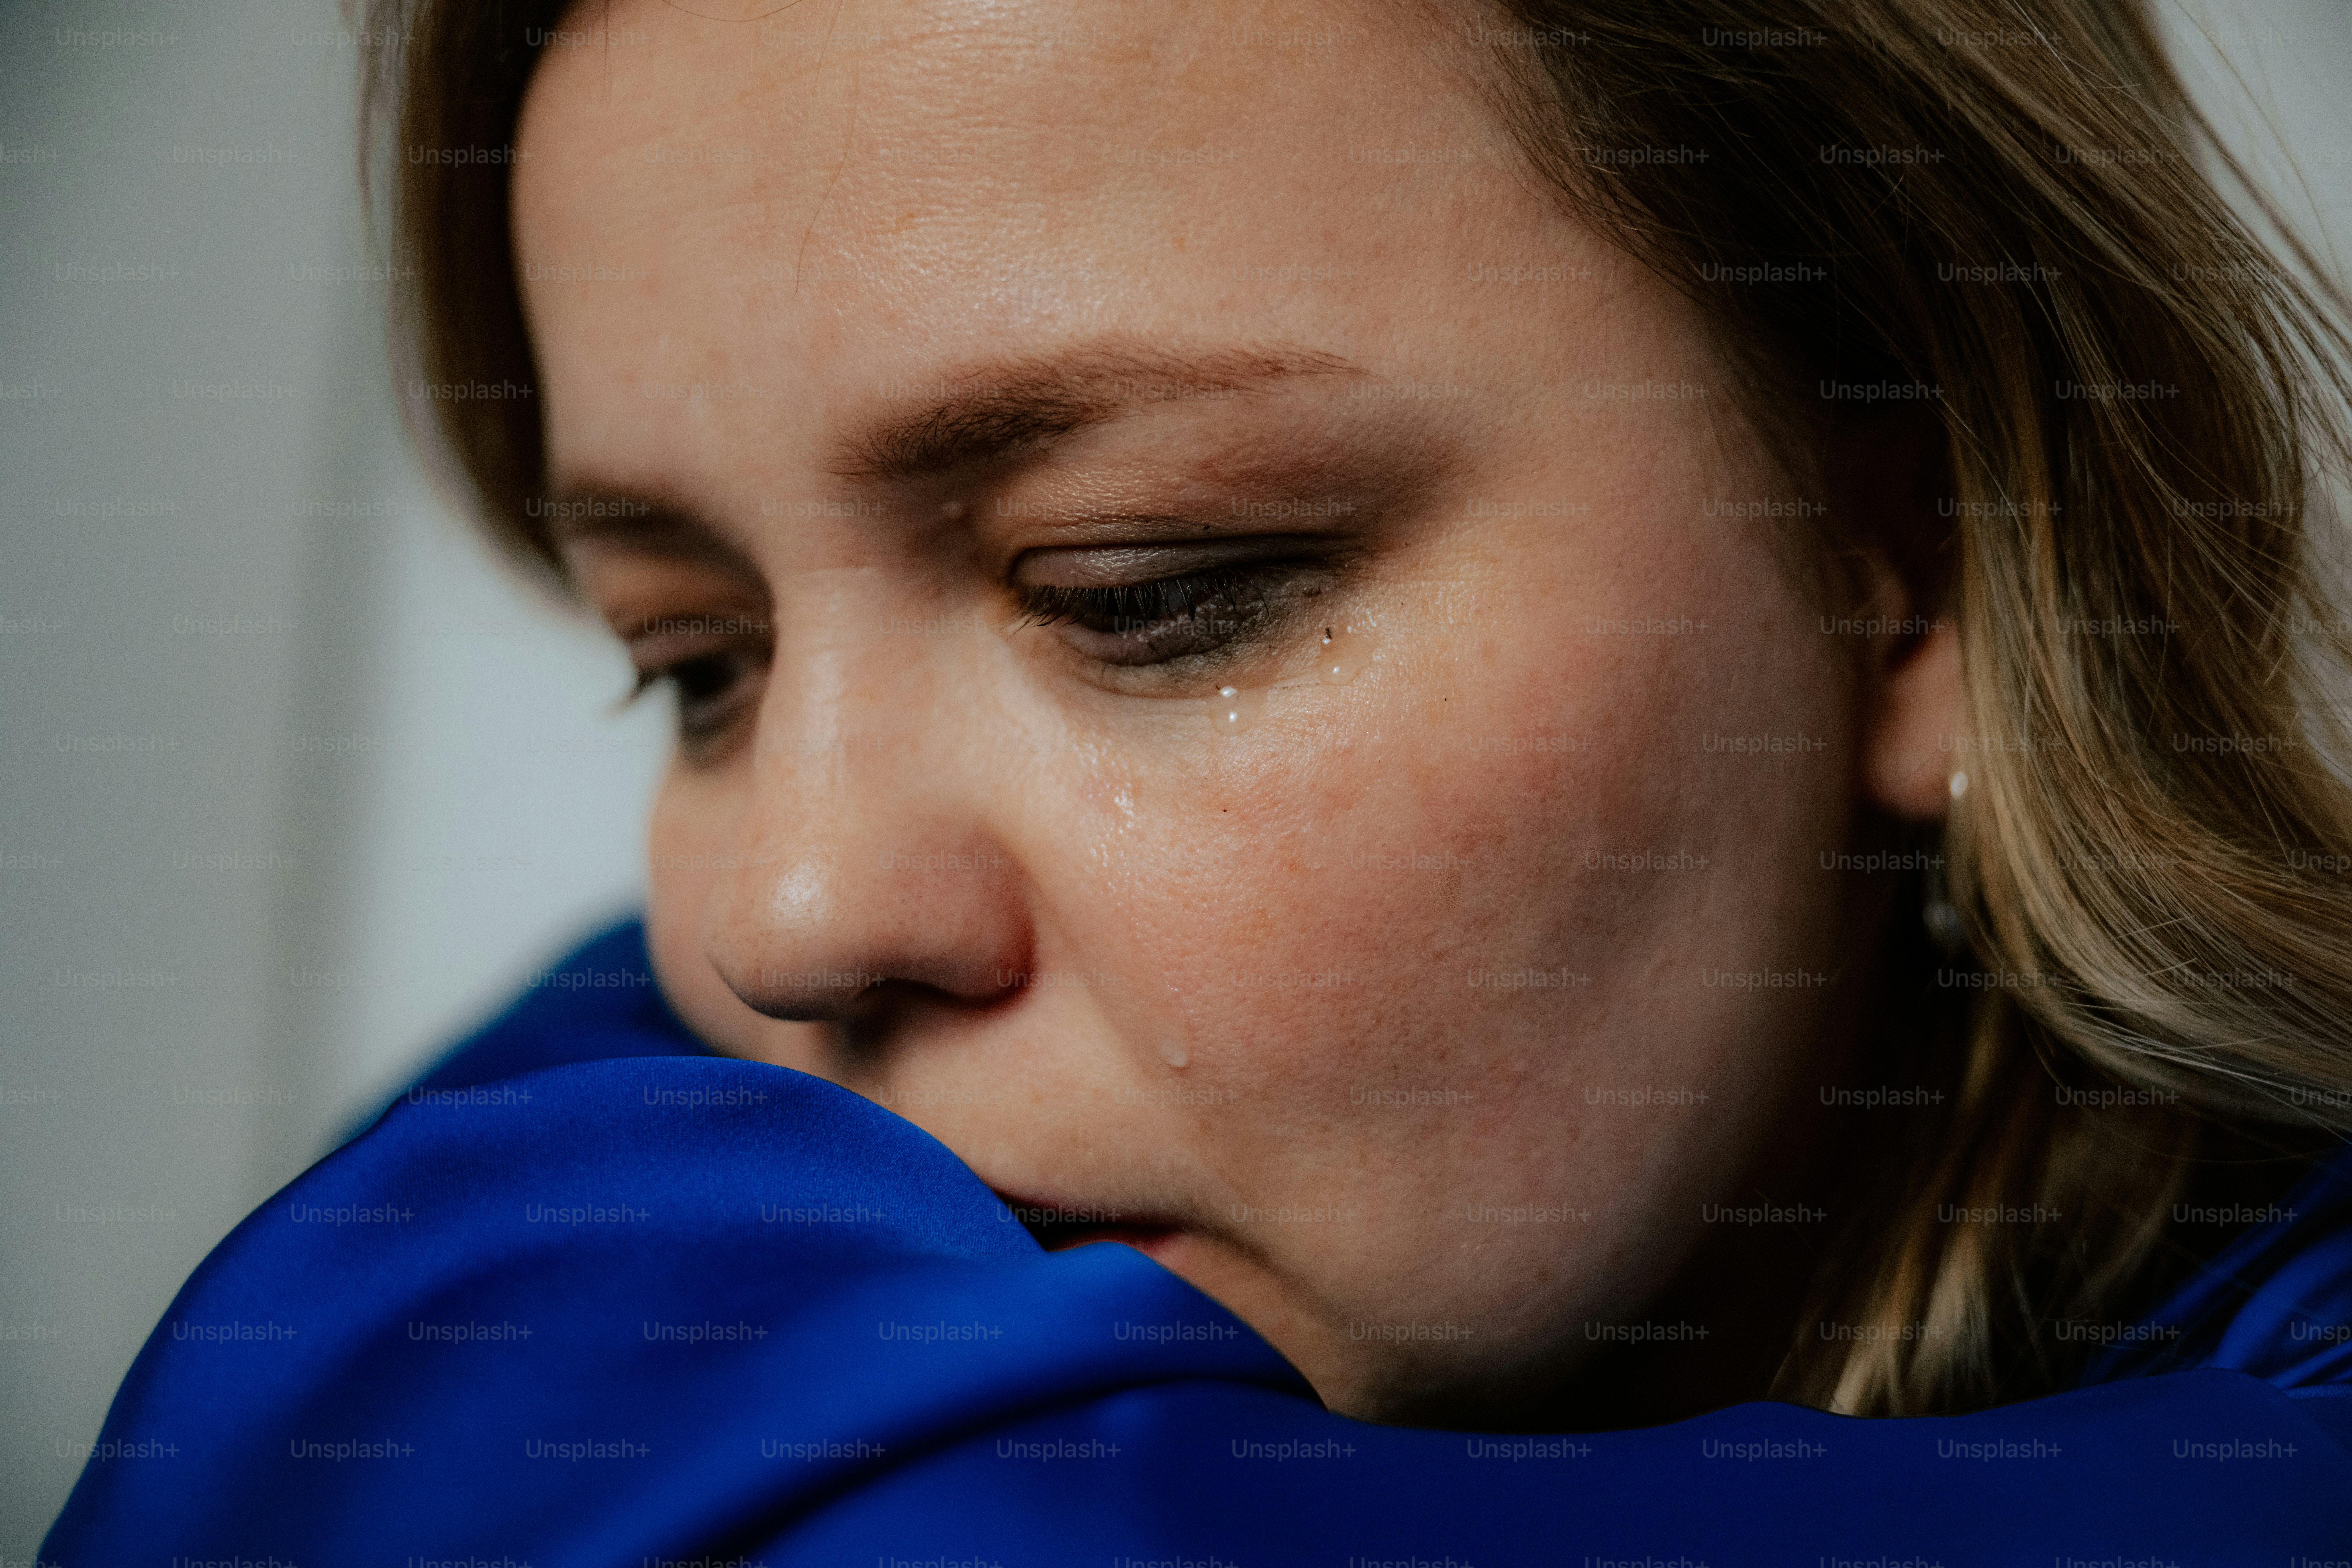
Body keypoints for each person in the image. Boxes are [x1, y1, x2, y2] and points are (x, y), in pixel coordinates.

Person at [46, 0, 2352, 1556]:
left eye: (1144, 588)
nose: (792, 912)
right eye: (700, 663)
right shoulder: (642, 1098)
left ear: (1924, 549)